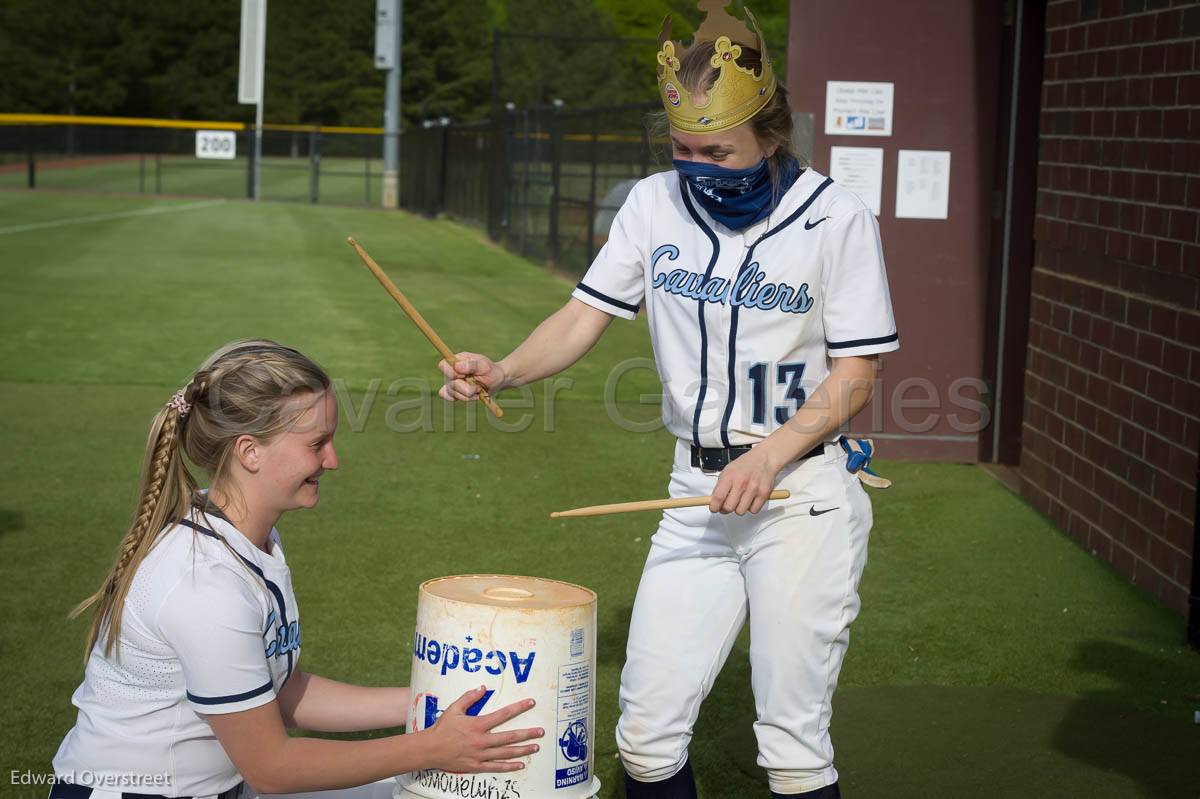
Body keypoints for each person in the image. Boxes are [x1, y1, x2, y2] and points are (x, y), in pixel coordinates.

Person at [438, 4, 898, 798]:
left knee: (791, 746)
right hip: (693, 494)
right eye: (682, 148)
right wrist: (503, 370)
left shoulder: (835, 216)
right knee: (646, 739)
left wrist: (771, 452)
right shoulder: (653, 204)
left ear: (769, 134)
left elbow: (856, 373)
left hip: (799, 494)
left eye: (715, 149)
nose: (696, 164)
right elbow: (586, 313)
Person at [52, 340, 542, 799]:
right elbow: (272, 765)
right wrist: (432, 747)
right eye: (317, 443)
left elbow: (284, 694)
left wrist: (434, 698)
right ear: (249, 452)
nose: (334, 460)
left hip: (214, 788)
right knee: (416, 777)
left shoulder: (241, 532)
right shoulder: (205, 585)